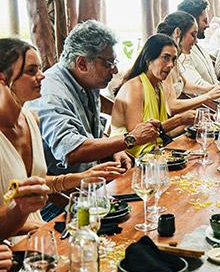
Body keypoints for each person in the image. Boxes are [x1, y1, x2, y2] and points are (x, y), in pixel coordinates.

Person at [0, 38, 125, 232]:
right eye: (31, 71)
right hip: (11, 247)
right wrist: (29, 224)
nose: (42, 76)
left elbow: (36, 183)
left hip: (39, 232)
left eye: (40, 69)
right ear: (2, 78)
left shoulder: (32, 119)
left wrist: (82, 177)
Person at [28, 20, 160, 175]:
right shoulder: (51, 94)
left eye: (114, 61)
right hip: (66, 195)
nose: (115, 70)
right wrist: (129, 139)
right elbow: (71, 151)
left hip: (93, 180)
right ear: (82, 63)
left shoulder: (88, 82)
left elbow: (92, 135)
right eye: (108, 63)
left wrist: (115, 150)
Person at [111, 34, 196, 157]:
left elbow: (162, 132)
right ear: (149, 59)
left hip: (156, 151)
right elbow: (138, 134)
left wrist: (191, 123)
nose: (171, 65)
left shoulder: (158, 85)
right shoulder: (135, 86)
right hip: (134, 158)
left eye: (173, 59)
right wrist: (180, 120)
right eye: (165, 58)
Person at [176, 0, 218, 86]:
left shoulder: (198, 47)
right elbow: (196, 85)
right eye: (205, 21)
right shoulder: (182, 54)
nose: (208, 25)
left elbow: (213, 80)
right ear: (192, 20)